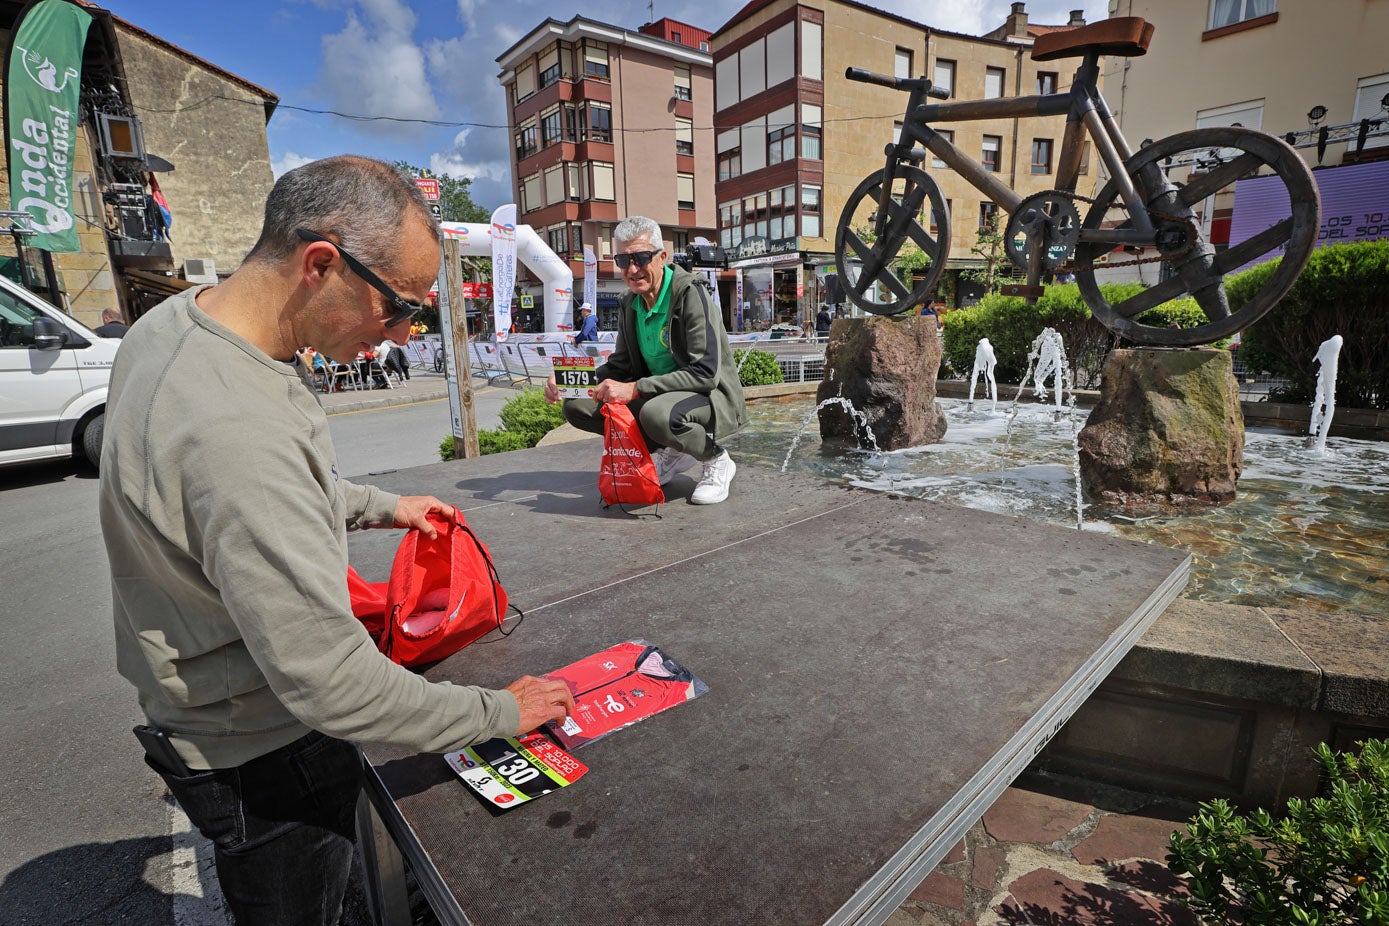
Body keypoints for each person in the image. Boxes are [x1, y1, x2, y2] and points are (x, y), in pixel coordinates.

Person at [99, 155, 574, 926]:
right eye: (398, 309)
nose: (402, 336)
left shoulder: (177, 328)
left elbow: (224, 500)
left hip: (195, 700)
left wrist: (379, 506)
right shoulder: (235, 429)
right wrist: (498, 713)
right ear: (321, 264)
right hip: (262, 749)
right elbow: (332, 685)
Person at [544, 216, 747, 505]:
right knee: (578, 406)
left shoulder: (690, 295)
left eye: (641, 257)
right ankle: (669, 450)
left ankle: (716, 459)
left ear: (661, 257)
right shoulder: (631, 303)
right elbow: (619, 365)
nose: (633, 269)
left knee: (657, 414)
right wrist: (565, 380)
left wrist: (635, 389)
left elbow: (705, 373)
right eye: (623, 260)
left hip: (708, 395)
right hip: (661, 395)